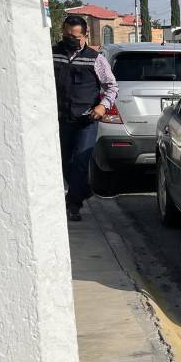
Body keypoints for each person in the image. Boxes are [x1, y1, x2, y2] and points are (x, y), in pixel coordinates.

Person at [53, 15, 118, 222]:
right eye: (67, 34)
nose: (70, 39)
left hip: (87, 119)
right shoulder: (53, 54)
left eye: (75, 36)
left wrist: (102, 106)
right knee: (65, 161)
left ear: (84, 35)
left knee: (81, 160)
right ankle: (82, 188)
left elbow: (111, 86)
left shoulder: (95, 58)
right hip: (61, 118)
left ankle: (74, 204)